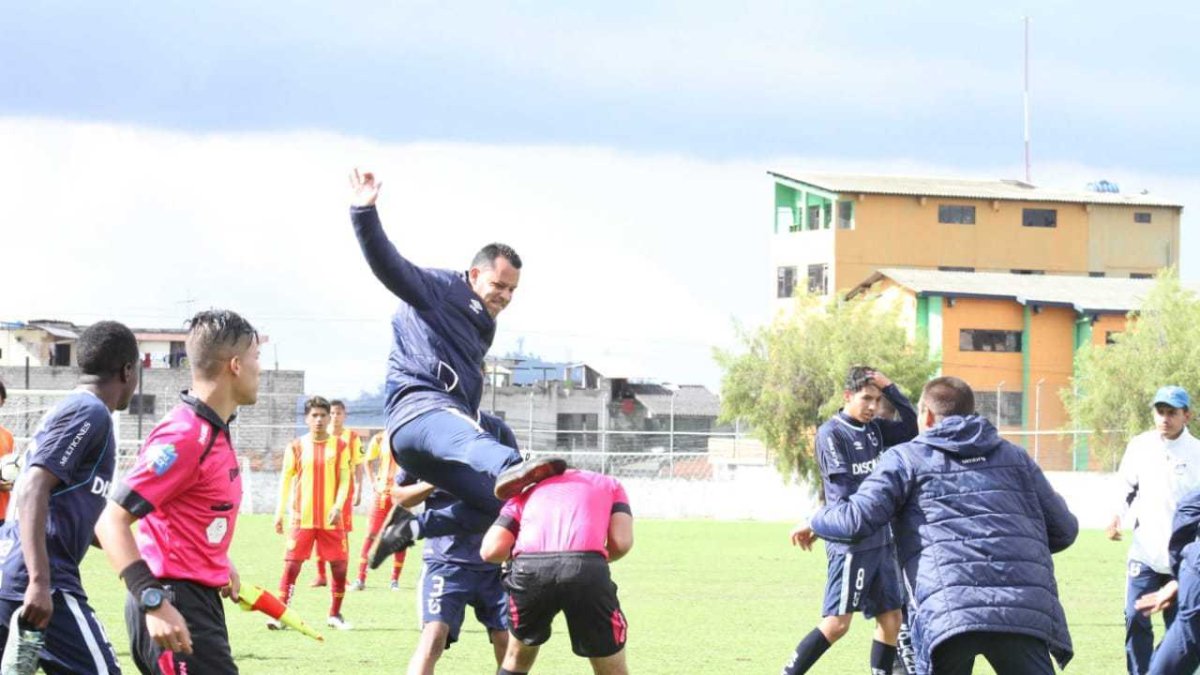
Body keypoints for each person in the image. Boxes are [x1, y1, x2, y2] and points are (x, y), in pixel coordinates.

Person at [347, 168, 564, 561]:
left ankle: (410, 528)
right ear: (475, 274)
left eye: (512, 290)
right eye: (498, 285)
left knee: (502, 507)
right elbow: (389, 265)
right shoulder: (441, 290)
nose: (505, 296)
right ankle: (514, 467)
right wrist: (364, 212)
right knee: (478, 441)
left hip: (434, 442)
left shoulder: (482, 324)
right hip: (420, 413)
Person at [793, 376, 1077, 675]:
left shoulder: (905, 459)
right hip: (1020, 610)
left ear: (926, 415)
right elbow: (1065, 530)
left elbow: (855, 520)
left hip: (948, 614)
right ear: (971, 413)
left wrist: (815, 519)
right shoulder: (1015, 456)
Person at [95, 309, 261, 675]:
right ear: (235, 365)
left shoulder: (213, 431)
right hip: (173, 604)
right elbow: (111, 521)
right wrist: (153, 601)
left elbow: (181, 514)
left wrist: (216, 559)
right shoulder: (185, 435)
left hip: (197, 601)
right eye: (256, 357)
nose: (259, 369)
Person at [0, 321, 139, 674]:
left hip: (14, 574)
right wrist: (39, 581)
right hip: (43, 580)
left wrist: (138, 549)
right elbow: (33, 487)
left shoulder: (74, 409)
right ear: (127, 371)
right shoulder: (90, 412)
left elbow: (68, 509)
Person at [781, 366, 917, 675]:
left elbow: (913, 426)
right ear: (847, 396)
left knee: (892, 620)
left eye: (877, 400)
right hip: (852, 544)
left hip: (882, 539)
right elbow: (842, 494)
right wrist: (819, 522)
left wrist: (890, 387)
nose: (872, 406)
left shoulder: (876, 429)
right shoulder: (832, 433)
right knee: (837, 624)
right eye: (866, 398)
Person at [480, 467, 633, 675]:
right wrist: (593, 561)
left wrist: (514, 559)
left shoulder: (526, 491)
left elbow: (490, 550)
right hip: (586, 567)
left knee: (516, 658)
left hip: (530, 570)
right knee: (611, 666)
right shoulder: (609, 484)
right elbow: (621, 543)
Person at [399, 411, 515, 675]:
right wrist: (435, 480)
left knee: (507, 641)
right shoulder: (425, 431)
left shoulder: (497, 429)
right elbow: (401, 497)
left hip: (493, 562)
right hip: (445, 563)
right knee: (433, 637)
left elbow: (516, 483)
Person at [1107, 385, 1200, 675]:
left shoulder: (1197, 452)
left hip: (1183, 561)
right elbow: (1126, 486)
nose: (1165, 418)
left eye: (1172, 412)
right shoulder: (1140, 446)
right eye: (1160, 411)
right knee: (1134, 617)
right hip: (1145, 552)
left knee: (1179, 630)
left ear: (1187, 415)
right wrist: (1116, 516)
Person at [272, 396, 353, 630]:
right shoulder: (296, 446)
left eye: (323, 415)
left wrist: (337, 506)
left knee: (339, 567)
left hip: (331, 519)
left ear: (329, 418)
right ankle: (281, 615)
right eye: (314, 415)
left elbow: (345, 479)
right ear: (307, 419)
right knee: (291, 566)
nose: (319, 420)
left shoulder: (340, 446)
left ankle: (335, 615)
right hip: (302, 518)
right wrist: (279, 513)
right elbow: (285, 480)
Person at [313, 400, 366, 588]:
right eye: (333, 413)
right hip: (321, 488)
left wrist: (359, 488)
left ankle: (341, 575)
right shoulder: (320, 435)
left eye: (339, 413)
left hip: (344, 491)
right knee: (318, 529)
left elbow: (358, 464)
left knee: (342, 533)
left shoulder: (352, 437)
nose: (335, 417)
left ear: (345, 416)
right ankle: (321, 575)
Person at [352, 430, 407, 591]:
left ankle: (394, 580)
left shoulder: (409, 436)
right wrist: (373, 482)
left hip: (402, 495)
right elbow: (367, 461)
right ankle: (360, 578)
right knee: (371, 534)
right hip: (382, 494)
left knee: (400, 537)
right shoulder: (379, 438)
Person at [0, 380, 14, 524]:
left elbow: (9, 473)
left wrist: (12, 482)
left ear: (2, 401)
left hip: (3, 513)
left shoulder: (7, 436)